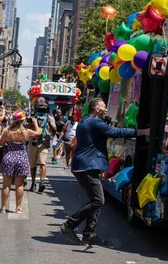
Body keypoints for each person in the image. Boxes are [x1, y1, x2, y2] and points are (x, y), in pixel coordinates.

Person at [59, 98, 150, 245]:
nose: (106, 109)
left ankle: (89, 233)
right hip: (86, 166)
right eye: (103, 106)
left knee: (96, 201)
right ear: (96, 109)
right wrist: (142, 132)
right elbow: (115, 131)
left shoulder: (86, 120)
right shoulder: (95, 122)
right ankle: (69, 226)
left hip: (85, 165)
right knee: (98, 200)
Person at [0, 110, 41, 213]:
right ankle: (18, 207)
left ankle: (3, 207)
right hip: (21, 157)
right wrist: (35, 123)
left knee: (6, 184)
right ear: (22, 120)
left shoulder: (7, 131)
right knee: (19, 185)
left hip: (8, 156)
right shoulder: (26, 131)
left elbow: (0, 143)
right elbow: (38, 133)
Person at [28, 97, 56, 193]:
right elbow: (25, 127)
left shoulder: (50, 117)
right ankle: (33, 182)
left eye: (43, 108)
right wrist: (31, 122)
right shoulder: (32, 117)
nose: (42, 109)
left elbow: (54, 130)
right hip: (33, 142)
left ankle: (42, 182)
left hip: (44, 142)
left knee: (42, 162)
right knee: (32, 164)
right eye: (40, 107)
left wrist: (49, 123)